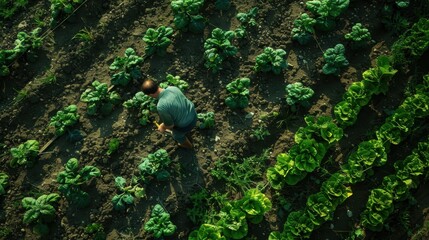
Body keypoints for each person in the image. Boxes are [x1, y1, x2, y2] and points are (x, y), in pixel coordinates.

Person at [142, 79, 197, 149]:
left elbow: (170, 125)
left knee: (177, 135)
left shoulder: (161, 106)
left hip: (186, 125)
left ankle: (188, 146)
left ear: (151, 94)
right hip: (194, 114)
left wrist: (162, 127)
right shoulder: (173, 88)